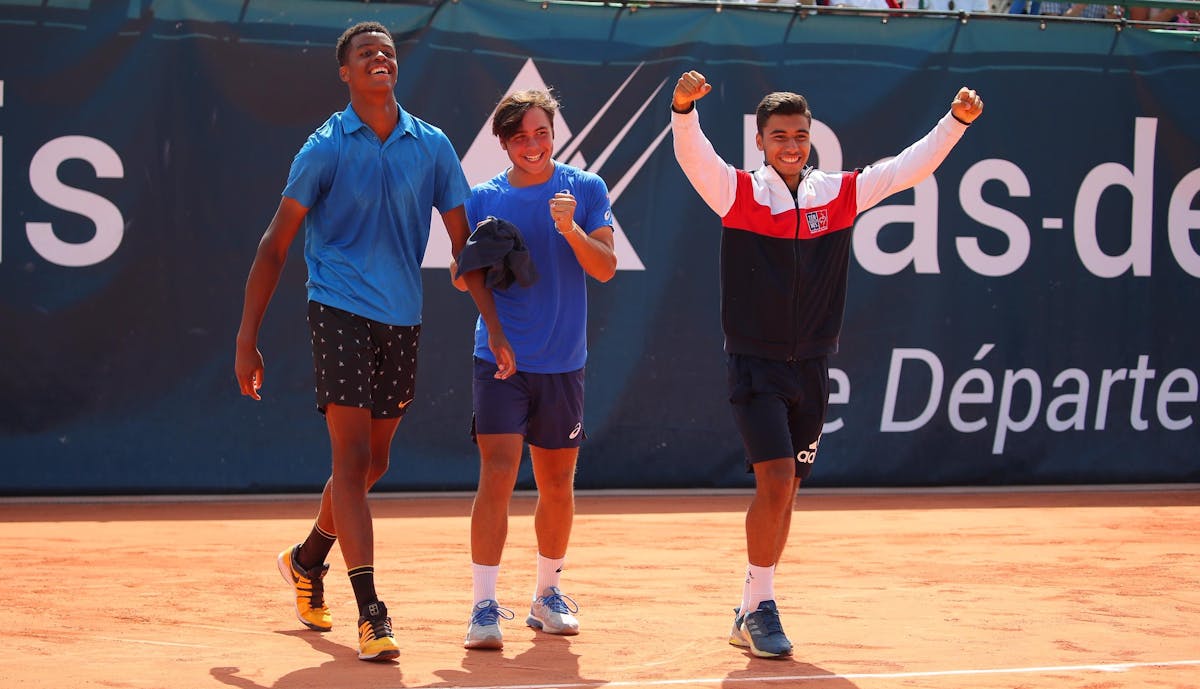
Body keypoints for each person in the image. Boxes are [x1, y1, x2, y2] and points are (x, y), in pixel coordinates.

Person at [670, 71, 983, 659]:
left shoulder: (837, 194)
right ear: (760, 141)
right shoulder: (737, 192)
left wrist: (955, 124)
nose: (791, 145)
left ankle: (748, 606)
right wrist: (683, 109)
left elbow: (906, 169)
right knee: (777, 479)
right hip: (755, 364)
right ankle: (762, 605)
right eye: (779, 135)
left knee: (787, 493)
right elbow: (694, 157)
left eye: (801, 135)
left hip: (812, 366)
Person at [234, 21, 514, 662]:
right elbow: (275, 246)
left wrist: (494, 324)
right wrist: (246, 339)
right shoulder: (324, 148)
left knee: (373, 465)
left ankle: (307, 559)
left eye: (386, 51)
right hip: (336, 309)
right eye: (366, 53)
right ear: (346, 72)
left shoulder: (434, 145)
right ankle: (371, 612)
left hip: (402, 318)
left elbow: (462, 243)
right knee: (351, 463)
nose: (379, 58)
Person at [448, 89, 617, 650]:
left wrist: (570, 230)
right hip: (499, 357)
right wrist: (492, 324)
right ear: (503, 142)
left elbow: (606, 267)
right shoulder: (482, 198)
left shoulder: (586, 190)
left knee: (557, 484)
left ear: (554, 133)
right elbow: (461, 273)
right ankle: (483, 606)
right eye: (520, 136)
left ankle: (547, 595)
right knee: (497, 472)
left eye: (542, 132)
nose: (533, 145)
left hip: (564, 362)